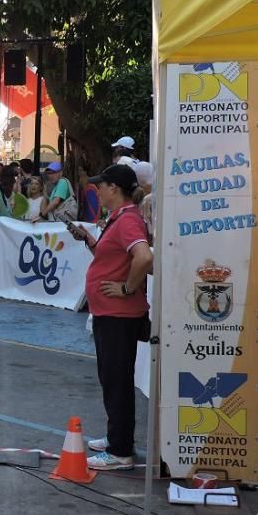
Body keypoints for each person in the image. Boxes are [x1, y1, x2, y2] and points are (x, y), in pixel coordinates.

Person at [67, 164, 152, 471]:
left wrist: (127, 288)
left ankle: (120, 451)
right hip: (111, 313)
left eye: (100, 186)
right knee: (112, 379)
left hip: (119, 314)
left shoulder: (128, 219)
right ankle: (117, 438)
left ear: (114, 189)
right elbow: (115, 257)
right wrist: (89, 241)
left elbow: (144, 257)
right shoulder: (119, 218)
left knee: (117, 381)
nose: (97, 190)